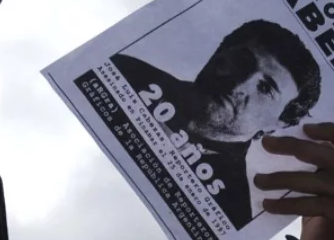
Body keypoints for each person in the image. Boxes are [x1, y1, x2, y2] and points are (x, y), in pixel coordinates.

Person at [112, 19, 322, 229]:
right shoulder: (121, 72)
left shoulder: (230, 212)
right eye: (242, 62)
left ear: (278, 124)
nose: (240, 84)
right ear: (218, 54)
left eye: (266, 88)